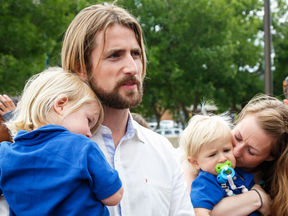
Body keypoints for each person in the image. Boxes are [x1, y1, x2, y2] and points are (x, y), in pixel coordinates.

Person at [61, 2, 194, 216]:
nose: (132, 68)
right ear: (81, 68)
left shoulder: (164, 151)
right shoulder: (47, 150)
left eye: (136, 54)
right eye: (115, 55)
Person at [0, 67, 123, 216]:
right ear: (60, 105)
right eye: (89, 121)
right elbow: (113, 197)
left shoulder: (5, 154)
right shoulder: (81, 146)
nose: (89, 134)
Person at [183, 94, 288, 216]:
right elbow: (192, 209)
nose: (236, 152)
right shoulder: (201, 168)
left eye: (251, 151)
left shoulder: (261, 179)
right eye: (238, 137)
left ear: (271, 156)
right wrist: (257, 198)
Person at [180, 114, 260, 216]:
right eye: (213, 154)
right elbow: (199, 211)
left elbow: (256, 188)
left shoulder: (238, 174)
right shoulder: (206, 182)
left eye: (226, 150)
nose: (223, 158)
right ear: (195, 162)